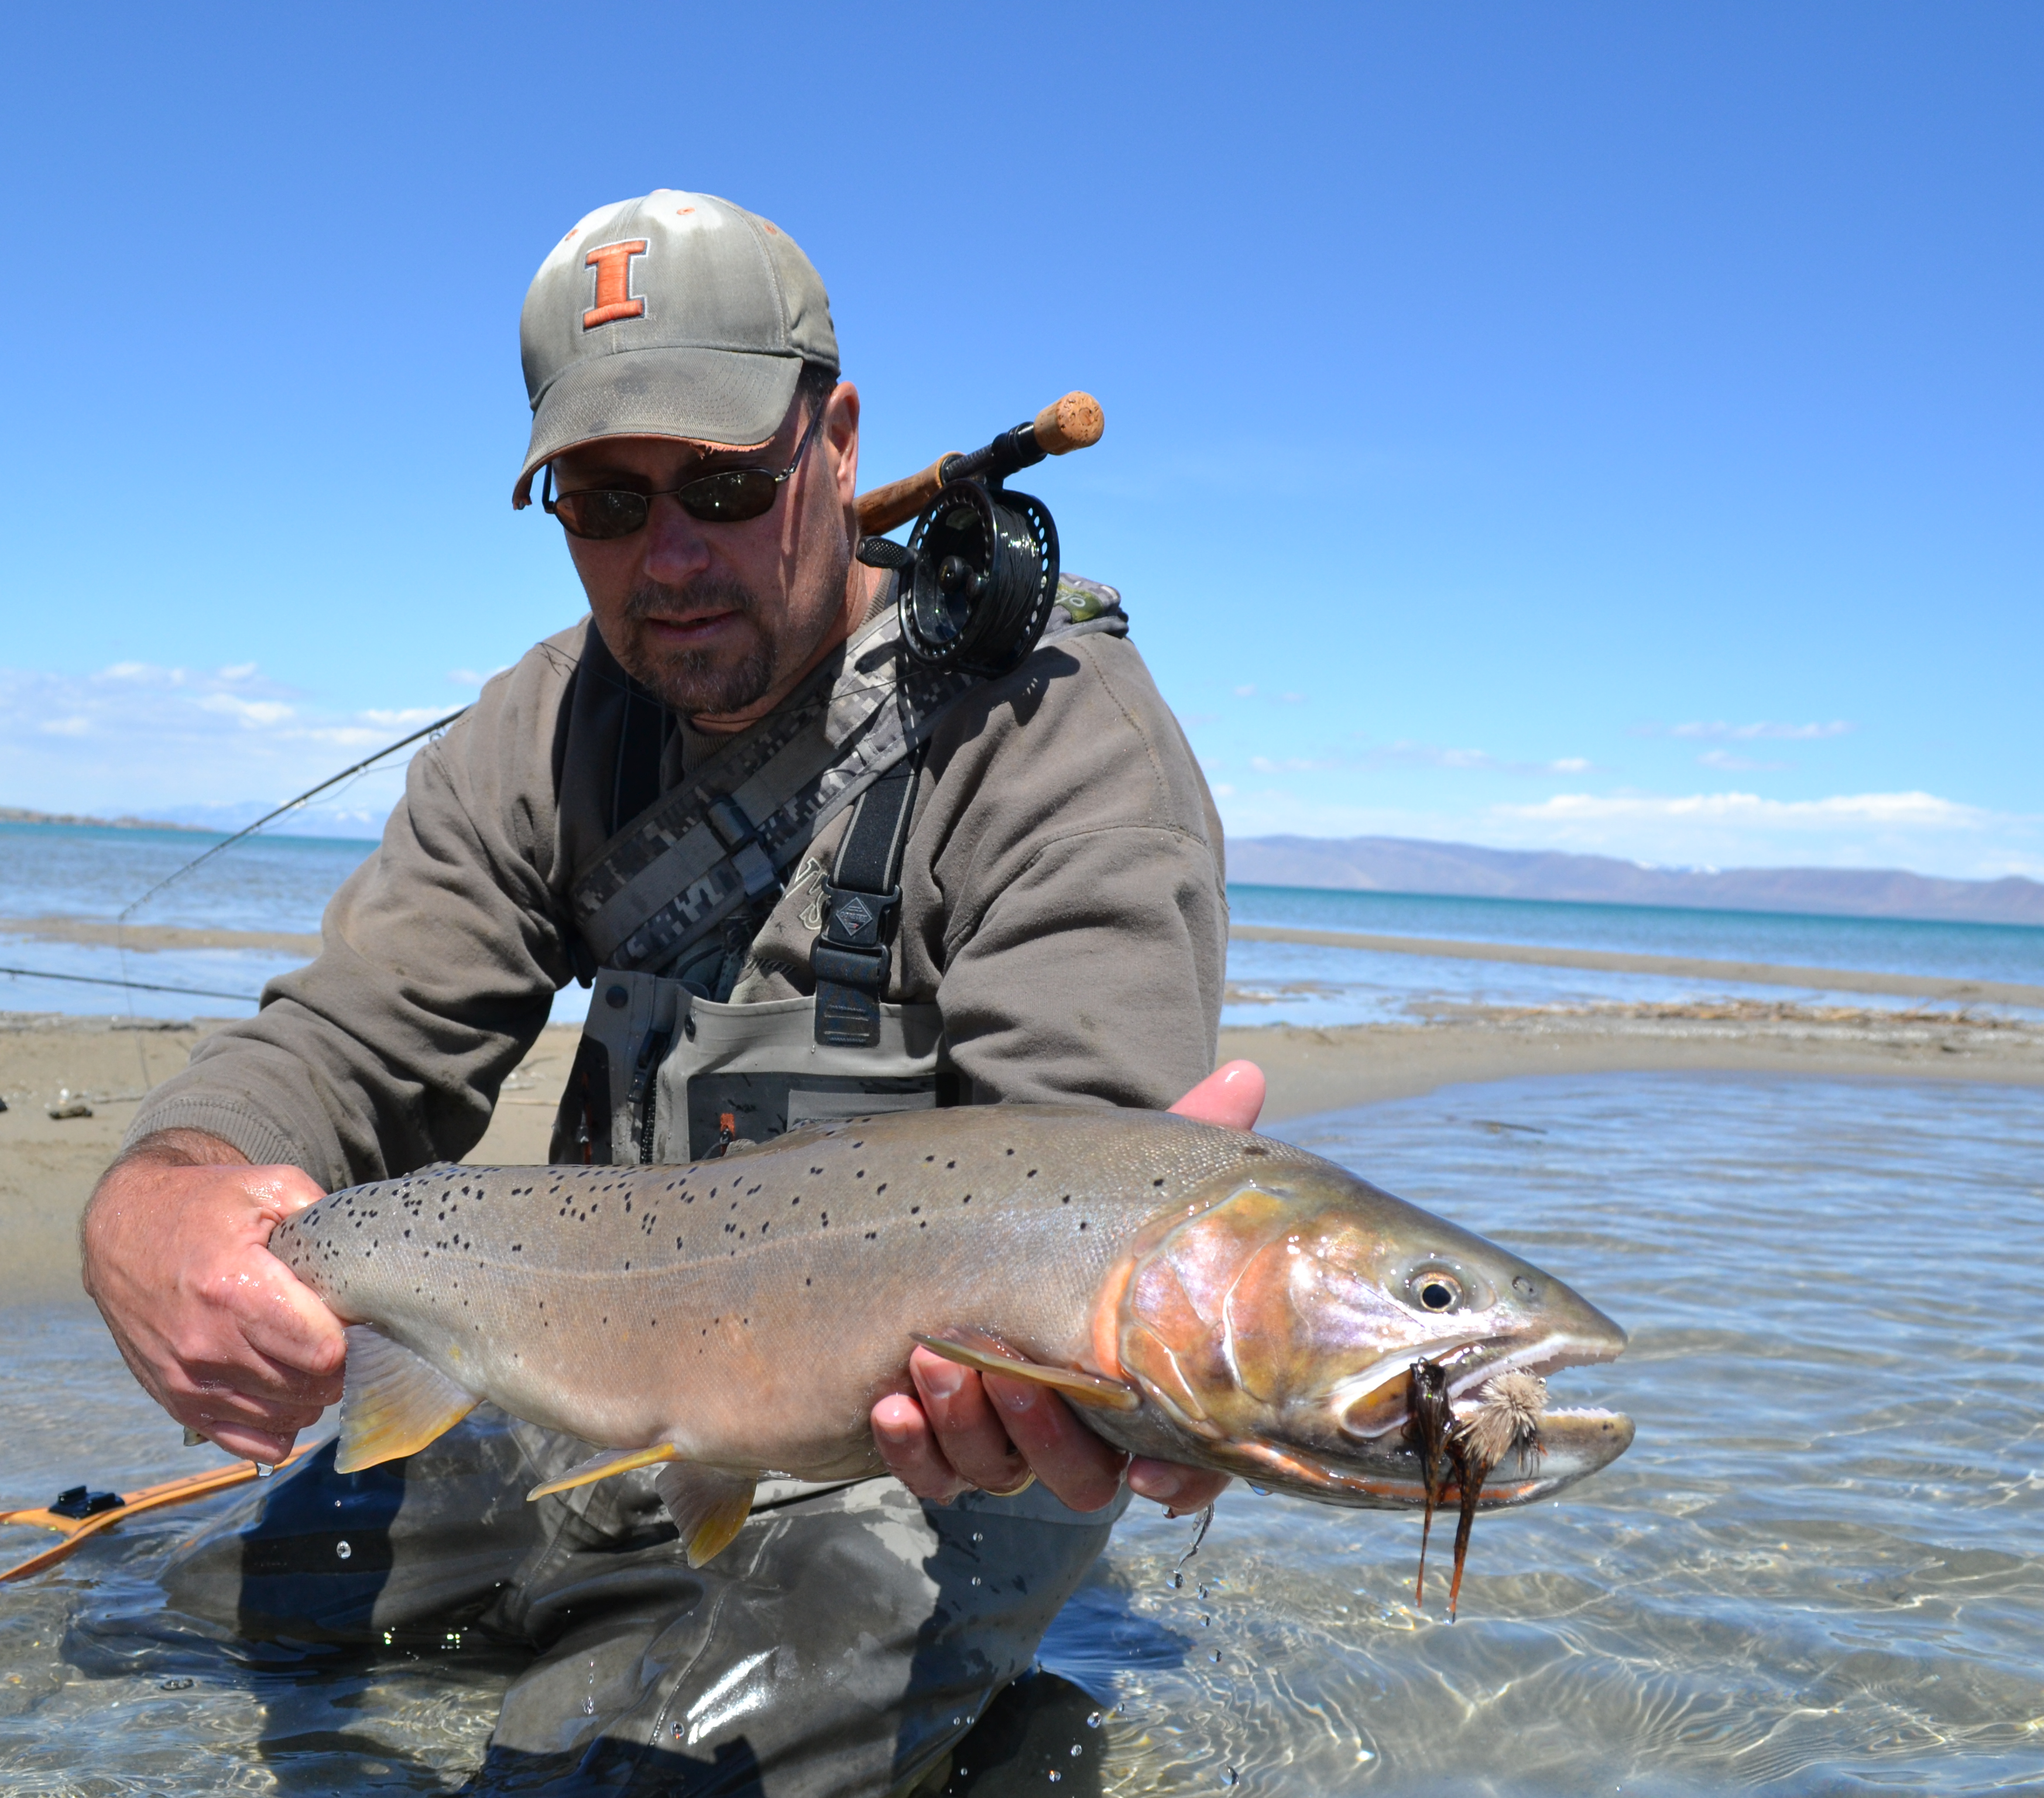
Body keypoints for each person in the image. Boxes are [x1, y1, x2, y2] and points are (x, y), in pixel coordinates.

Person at [81, 189, 1246, 1796]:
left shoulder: (1054, 734)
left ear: (834, 441)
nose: (670, 557)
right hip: (597, 1373)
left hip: (918, 1464)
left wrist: (1105, 1374)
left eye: (720, 483)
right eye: (604, 504)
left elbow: (1084, 1159)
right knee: (196, 1609)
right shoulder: (545, 731)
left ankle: (977, 1728)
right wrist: (162, 1194)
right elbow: (349, 1047)